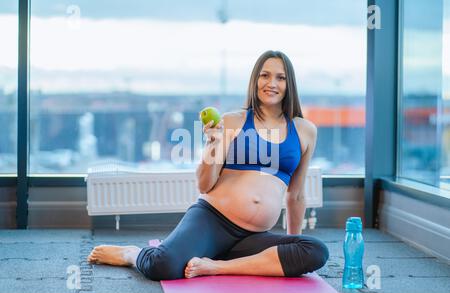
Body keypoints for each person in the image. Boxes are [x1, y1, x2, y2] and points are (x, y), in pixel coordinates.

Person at [88, 50, 329, 280]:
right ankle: (131, 254)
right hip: (212, 220)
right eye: (264, 75)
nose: (271, 83)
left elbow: (295, 195)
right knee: (162, 266)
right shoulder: (232, 121)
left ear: (290, 84)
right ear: (255, 81)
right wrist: (214, 144)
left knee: (315, 250)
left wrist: (292, 246)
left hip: (254, 236)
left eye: (280, 77)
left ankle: (217, 265)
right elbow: (204, 185)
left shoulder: (305, 131)